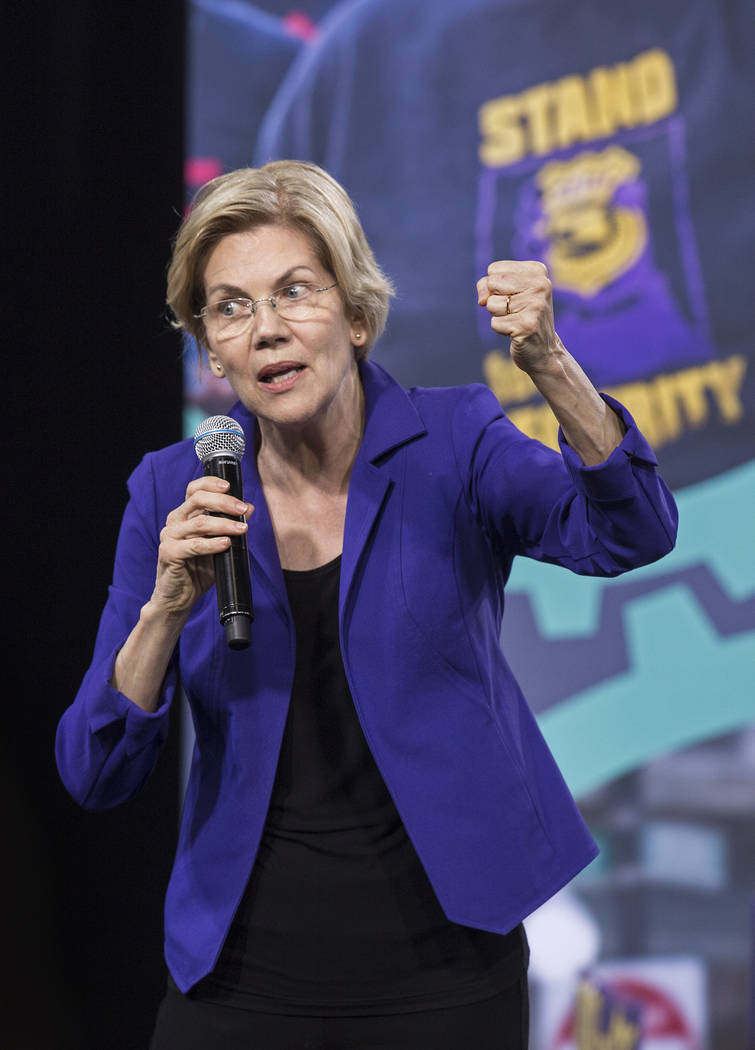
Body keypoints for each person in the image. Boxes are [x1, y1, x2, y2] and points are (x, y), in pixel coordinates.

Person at [55, 160, 678, 1050]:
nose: (266, 329)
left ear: (355, 315)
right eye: (229, 308)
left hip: (445, 973)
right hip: (238, 976)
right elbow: (95, 768)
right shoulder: (173, 490)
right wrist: (164, 607)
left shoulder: (455, 442)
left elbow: (633, 533)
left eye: (294, 292)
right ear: (210, 350)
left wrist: (548, 363)